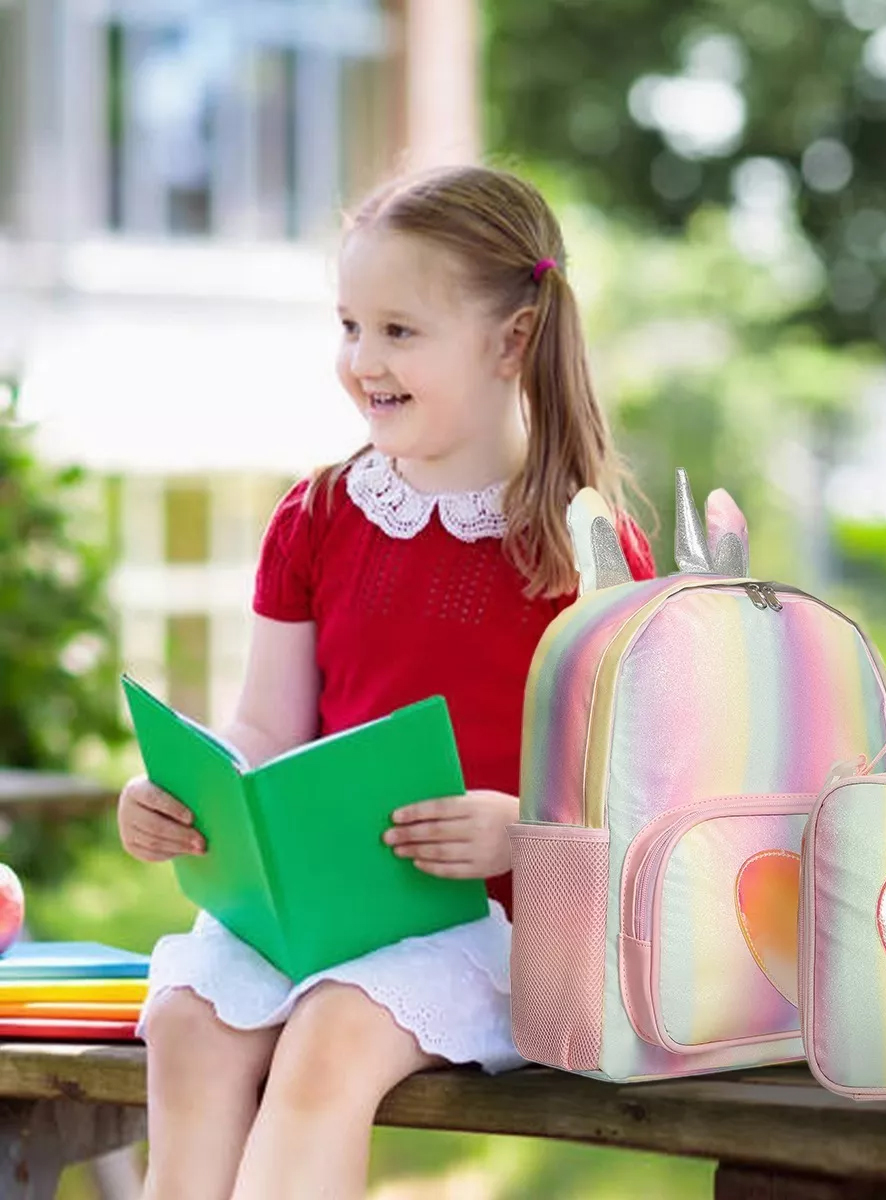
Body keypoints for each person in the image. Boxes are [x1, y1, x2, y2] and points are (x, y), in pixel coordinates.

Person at [116, 164, 657, 1200]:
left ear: (513, 341)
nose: (363, 361)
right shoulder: (317, 516)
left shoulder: (587, 548)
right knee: (189, 1022)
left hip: (493, 931)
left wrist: (520, 837)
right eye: (350, 326)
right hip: (320, 914)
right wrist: (191, 801)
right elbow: (265, 730)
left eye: (399, 331)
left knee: (333, 1035)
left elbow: (638, 806)